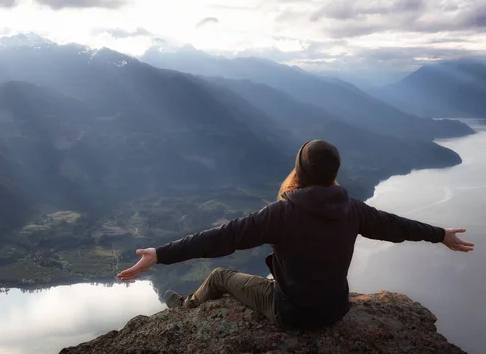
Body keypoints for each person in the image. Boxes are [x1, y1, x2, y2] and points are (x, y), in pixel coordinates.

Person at [117, 140, 475, 329]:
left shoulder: (282, 213)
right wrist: (440, 233)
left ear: (299, 170)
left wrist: (160, 253)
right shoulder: (352, 208)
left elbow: (221, 237)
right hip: (336, 310)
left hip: (293, 314)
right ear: (335, 171)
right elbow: (397, 226)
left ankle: (186, 309)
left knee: (219, 276)